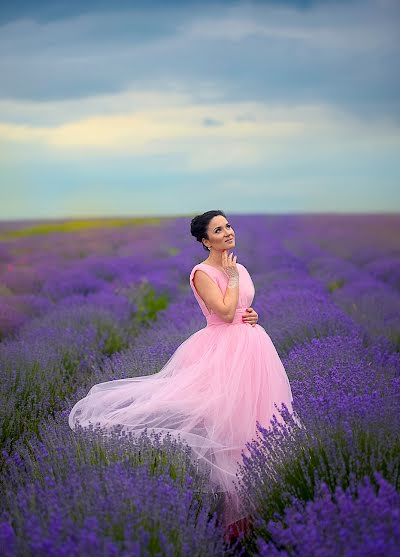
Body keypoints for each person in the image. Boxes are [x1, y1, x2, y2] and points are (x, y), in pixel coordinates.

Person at [68, 210, 297, 539]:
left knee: (259, 426)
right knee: (228, 429)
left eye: (228, 226)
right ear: (206, 241)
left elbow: (242, 307)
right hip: (223, 353)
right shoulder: (202, 272)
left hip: (254, 349)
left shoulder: (240, 268)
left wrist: (253, 313)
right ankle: (233, 523)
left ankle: (262, 511)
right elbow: (223, 311)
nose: (228, 232)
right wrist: (231, 280)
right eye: (219, 230)